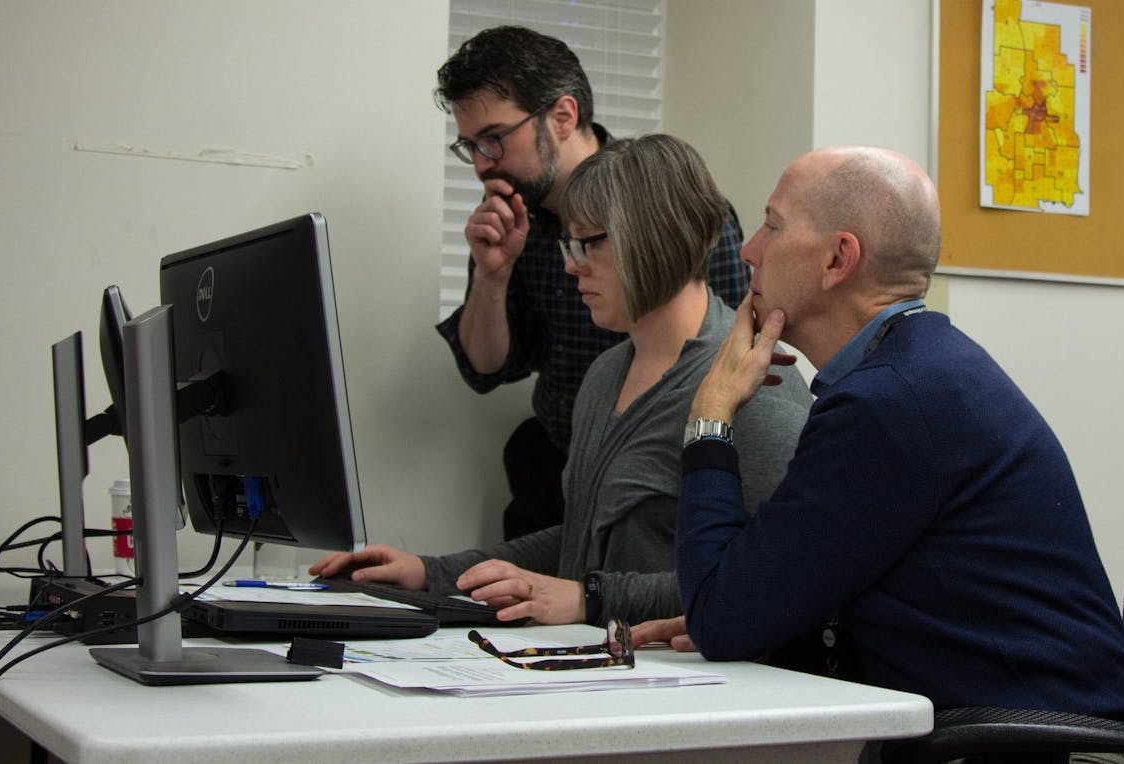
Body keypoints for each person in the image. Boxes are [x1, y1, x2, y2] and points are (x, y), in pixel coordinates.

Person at [635, 147, 1124, 738]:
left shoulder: (891, 406)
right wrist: (754, 617)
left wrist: (710, 412)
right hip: (1018, 732)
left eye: (773, 225)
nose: (748, 249)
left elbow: (720, 619)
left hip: (1045, 746)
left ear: (839, 259)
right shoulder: (913, 376)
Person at [312, 134, 810, 626]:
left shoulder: (755, 382)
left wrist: (588, 599)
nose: (570, 266)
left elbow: (771, 579)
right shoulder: (605, 375)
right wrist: (432, 573)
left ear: (650, 237)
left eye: (586, 244)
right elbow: (580, 541)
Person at [433, 26, 751, 540]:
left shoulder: (660, 204)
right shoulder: (511, 219)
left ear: (563, 116)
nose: (482, 165)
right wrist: (492, 277)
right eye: (469, 146)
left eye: (494, 138)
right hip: (556, 470)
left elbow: (735, 353)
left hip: (663, 473)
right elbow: (485, 369)